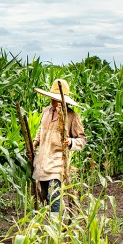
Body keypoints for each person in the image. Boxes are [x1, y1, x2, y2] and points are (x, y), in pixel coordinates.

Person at [32, 78, 86, 218]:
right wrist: (35, 141)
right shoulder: (46, 112)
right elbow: (41, 129)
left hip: (57, 161)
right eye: (52, 99)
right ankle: (52, 220)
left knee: (54, 194)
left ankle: (55, 224)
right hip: (42, 159)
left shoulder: (72, 116)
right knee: (44, 194)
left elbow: (82, 139)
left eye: (56, 99)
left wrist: (70, 142)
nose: (53, 102)